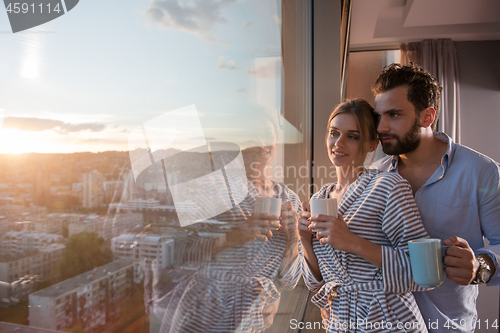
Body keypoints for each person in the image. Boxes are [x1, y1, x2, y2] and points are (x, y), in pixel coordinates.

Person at [371, 63, 500, 333]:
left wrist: (480, 266)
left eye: (393, 115)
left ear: (427, 117)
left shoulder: (482, 172)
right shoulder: (373, 176)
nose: (381, 127)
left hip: (448, 327)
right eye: (378, 116)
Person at [151, 105, 302, 333]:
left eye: (266, 133)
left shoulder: (290, 200)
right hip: (204, 316)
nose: (260, 143)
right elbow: (170, 257)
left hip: (257, 319)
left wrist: (293, 240)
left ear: (276, 138)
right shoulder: (207, 188)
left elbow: (290, 282)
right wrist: (231, 237)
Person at [299, 99, 431, 332]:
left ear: (371, 144)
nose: (338, 143)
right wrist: (303, 239)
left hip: (388, 320)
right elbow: (316, 284)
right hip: (340, 320)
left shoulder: (388, 186)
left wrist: (353, 242)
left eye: (352, 136)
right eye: (334, 132)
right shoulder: (319, 198)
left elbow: (422, 272)